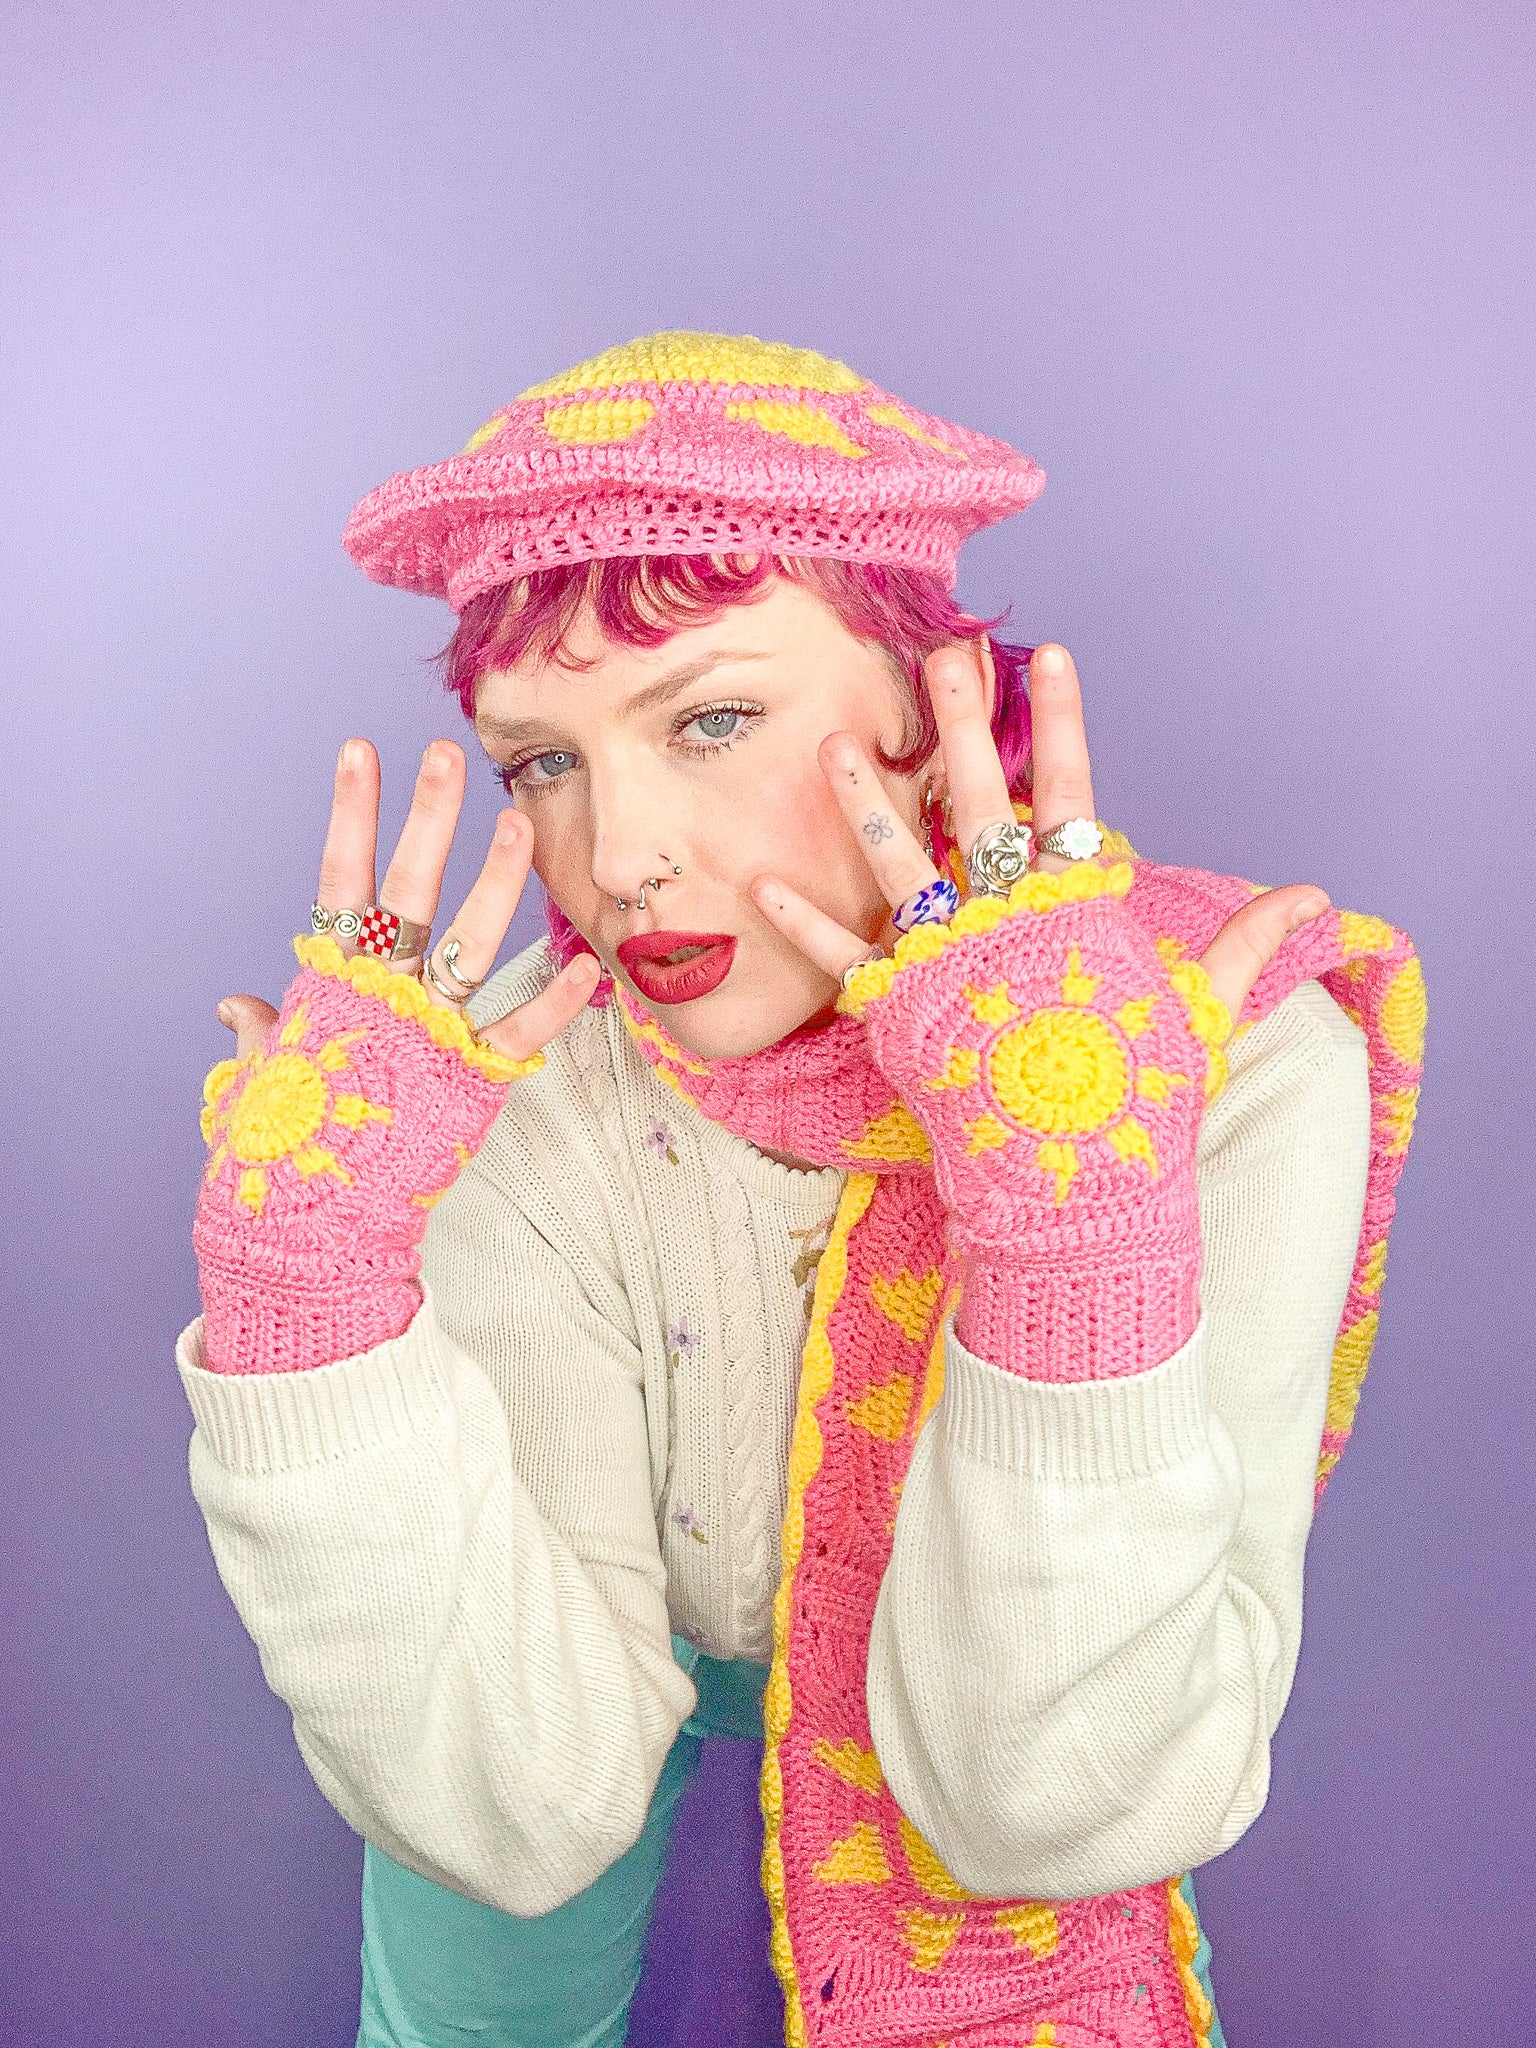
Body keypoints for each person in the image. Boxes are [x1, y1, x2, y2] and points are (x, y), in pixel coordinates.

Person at [180, 331, 1425, 2048]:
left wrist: (1075, 1226)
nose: (614, 860)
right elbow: (505, 1808)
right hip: (570, 1627)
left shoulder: (1215, 1058)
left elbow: (1060, 1808)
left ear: (934, 723)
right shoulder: (483, 1087)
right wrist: (307, 1298)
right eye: (543, 760)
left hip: (1018, 1641)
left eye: (711, 718)